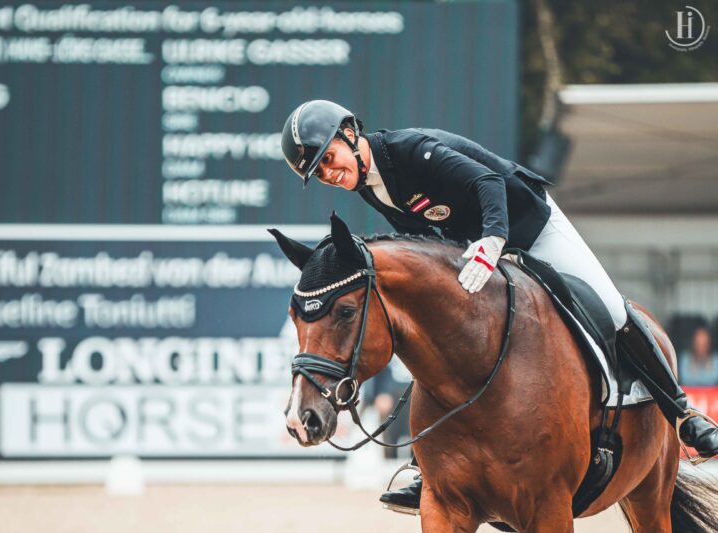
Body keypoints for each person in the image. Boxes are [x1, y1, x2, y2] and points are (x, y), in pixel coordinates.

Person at [280, 100, 718, 514]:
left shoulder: (409, 150)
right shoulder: (370, 186)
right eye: (319, 173)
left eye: (329, 159)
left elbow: (486, 183)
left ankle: (681, 414)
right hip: (477, 251)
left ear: (351, 133)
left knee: (613, 309)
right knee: (439, 338)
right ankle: (427, 464)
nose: (329, 174)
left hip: (530, 227)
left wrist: (492, 241)